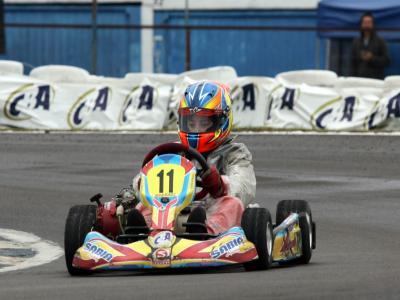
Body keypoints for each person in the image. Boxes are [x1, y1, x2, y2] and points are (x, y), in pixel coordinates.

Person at [131, 81, 256, 235]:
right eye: (191, 123)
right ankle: (141, 233)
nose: (196, 129)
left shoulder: (235, 153)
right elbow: (143, 178)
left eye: (204, 122)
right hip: (171, 211)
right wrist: (141, 184)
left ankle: (204, 233)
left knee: (233, 204)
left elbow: (243, 187)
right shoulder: (173, 151)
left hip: (211, 210)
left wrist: (220, 185)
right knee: (144, 205)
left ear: (222, 121)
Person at [351, 11, 390, 79]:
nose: (366, 25)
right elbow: (352, 62)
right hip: (359, 80)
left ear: (373, 24)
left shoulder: (380, 41)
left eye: (369, 23)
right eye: (365, 23)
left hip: (375, 80)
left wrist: (372, 58)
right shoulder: (356, 42)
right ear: (361, 24)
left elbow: (387, 61)